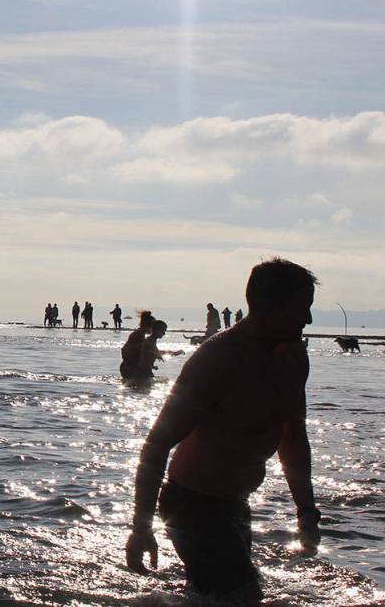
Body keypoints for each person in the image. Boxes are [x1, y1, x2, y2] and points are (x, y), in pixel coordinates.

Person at [125, 258, 321, 602]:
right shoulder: (218, 360)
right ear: (269, 307)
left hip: (236, 504)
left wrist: (306, 511)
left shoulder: (293, 358)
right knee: (243, 598)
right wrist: (141, 527)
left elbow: (292, 436)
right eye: (302, 308)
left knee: (213, 596)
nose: (308, 319)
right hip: (191, 504)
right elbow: (156, 444)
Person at [127, 320, 183, 385]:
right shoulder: (149, 342)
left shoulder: (152, 341)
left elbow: (150, 354)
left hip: (145, 372)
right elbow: (158, 352)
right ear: (157, 330)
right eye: (163, 331)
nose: (164, 333)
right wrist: (176, 353)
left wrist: (152, 365)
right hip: (142, 373)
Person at [119, 311, 155, 381]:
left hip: (128, 367)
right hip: (130, 368)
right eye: (153, 327)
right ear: (147, 326)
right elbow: (127, 350)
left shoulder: (139, 334)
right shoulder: (138, 335)